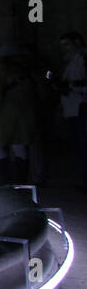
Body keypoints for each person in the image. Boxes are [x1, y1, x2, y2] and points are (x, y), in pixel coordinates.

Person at [0, 42, 40, 183]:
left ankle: (6, 182)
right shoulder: (26, 71)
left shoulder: (1, 69)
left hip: (3, 116)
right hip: (24, 116)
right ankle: (20, 182)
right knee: (20, 148)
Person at [58, 31, 87, 191]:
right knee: (79, 146)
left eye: (67, 44)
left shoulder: (82, 59)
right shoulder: (72, 61)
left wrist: (72, 86)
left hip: (81, 107)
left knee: (83, 145)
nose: (64, 49)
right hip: (73, 108)